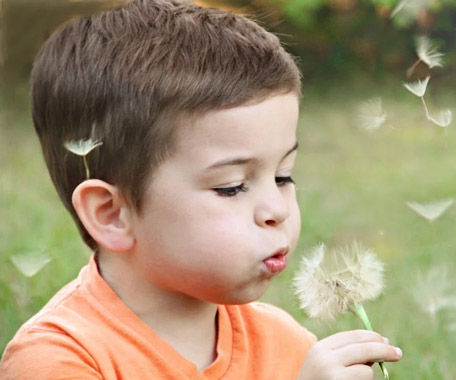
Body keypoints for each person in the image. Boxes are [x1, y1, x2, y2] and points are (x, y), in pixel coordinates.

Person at [0, 0, 403, 378]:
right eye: (231, 187)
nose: (276, 210)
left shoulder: (287, 344)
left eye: (283, 176)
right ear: (111, 213)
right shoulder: (58, 359)